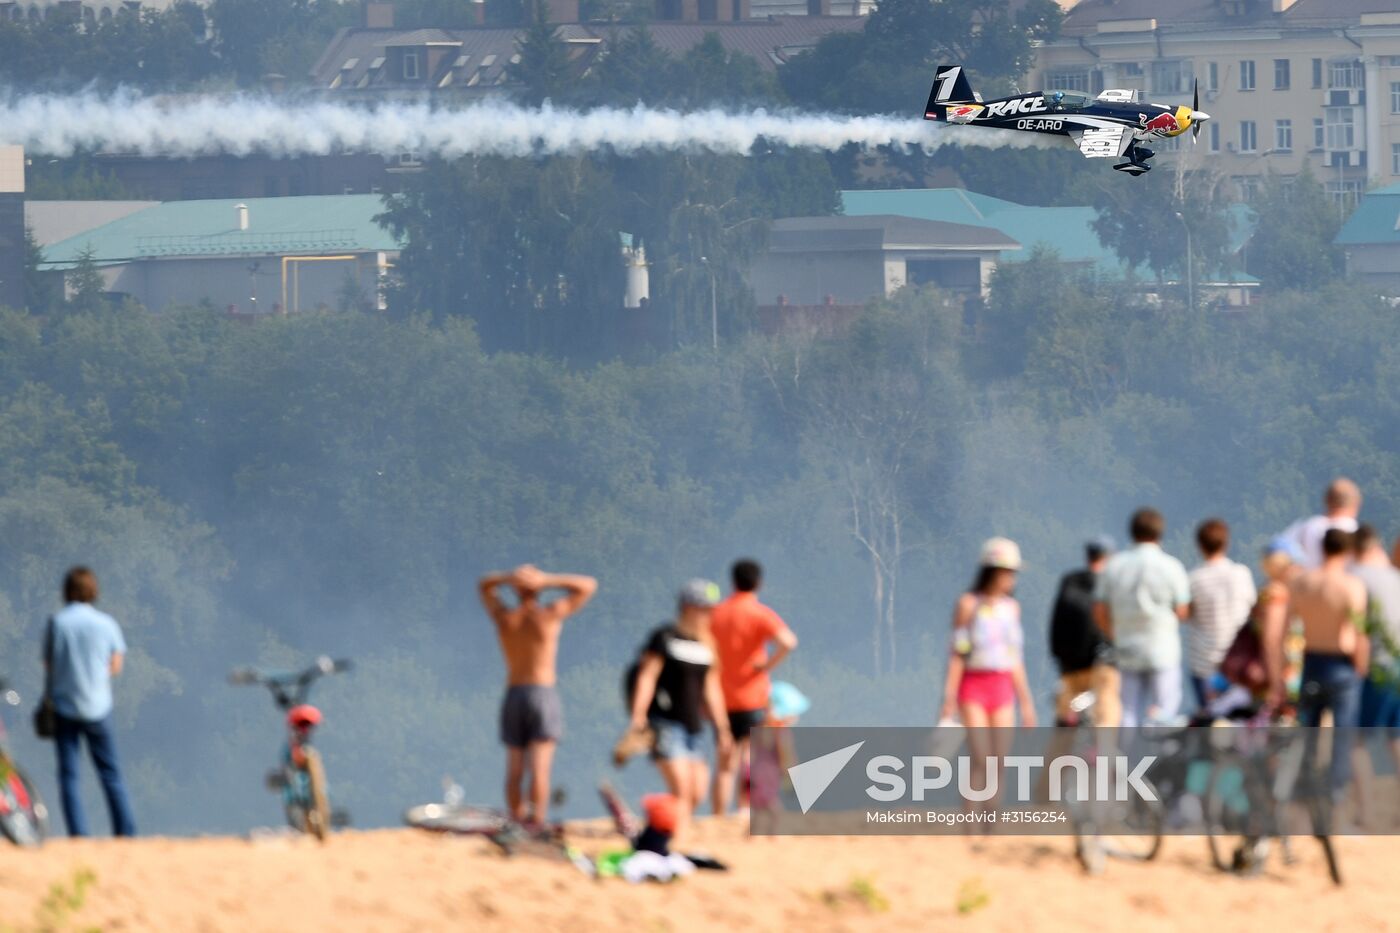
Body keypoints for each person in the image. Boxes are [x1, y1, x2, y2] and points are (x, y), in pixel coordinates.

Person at [478, 564, 597, 826]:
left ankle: (516, 819)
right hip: (542, 692)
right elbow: (588, 585)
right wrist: (547, 579)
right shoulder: (549, 615)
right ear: (536, 590)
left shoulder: (505, 618)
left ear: (516, 590)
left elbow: (483, 586)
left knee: (515, 768)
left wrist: (508, 577)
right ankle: (537, 821)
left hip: (514, 693)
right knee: (540, 769)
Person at [628, 580, 733, 838]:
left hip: (693, 727)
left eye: (711, 609)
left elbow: (711, 689)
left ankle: (658, 821)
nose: (709, 614)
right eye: (704, 608)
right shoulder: (664, 638)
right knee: (682, 789)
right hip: (664, 722)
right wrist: (638, 715)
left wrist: (722, 728)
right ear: (687, 607)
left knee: (697, 791)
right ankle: (676, 838)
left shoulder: (708, 645)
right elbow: (647, 677)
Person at [47, 567, 136, 838]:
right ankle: (126, 832)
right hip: (98, 706)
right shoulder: (107, 623)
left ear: (67, 590)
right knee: (110, 773)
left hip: (65, 705)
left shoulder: (58, 623)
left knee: (69, 775)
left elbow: (51, 664)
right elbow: (116, 664)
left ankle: (79, 835)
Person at [1281, 528, 1368, 799]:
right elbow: (1359, 634)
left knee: (1309, 734)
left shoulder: (1302, 582)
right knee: (1342, 737)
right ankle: (1335, 798)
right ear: (1347, 551)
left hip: (1311, 660)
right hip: (1341, 664)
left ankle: (1304, 794)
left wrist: (1285, 665)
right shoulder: (1351, 585)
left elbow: (1286, 629)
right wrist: (1360, 668)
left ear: (1322, 548)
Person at [709, 558, 798, 816]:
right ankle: (743, 809)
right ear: (758, 583)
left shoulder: (717, 614)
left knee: (725, 762)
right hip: (752, 696)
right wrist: (767, 665)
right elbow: (788, 642)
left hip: (721, 697)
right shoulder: (759, 613)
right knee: (748, 755)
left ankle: (718, 815)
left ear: (733, 582)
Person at [1093, 508, 1190, 727]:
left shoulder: (1114, 567)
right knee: (1165, 710)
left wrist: (1113, 634)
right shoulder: (1172, 567)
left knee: (1127, 711)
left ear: (1132, 532)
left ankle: (1130, 759)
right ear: (1159, 533)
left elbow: (1099, 610)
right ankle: (1161, 756)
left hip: (1127, 646)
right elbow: (1183, 610)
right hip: (1162, 648)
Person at [1348, 525, 1400, 824]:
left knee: (1356, 741)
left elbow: (1356, 629)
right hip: (1399, 664)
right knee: (1396, 739)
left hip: (1377, 668)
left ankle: (1365, 814)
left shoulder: (1357, 579)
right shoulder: (1394, 577)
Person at [1048, 536, 1120, 727]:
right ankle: (1105, 752)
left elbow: (1056, 623)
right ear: (1109, 557)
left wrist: (1060, 659)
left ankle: (1058, 753)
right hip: (1103, 665)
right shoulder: (1111, 584)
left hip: (1071, 667)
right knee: (1107, 714)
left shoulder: (1069, 582)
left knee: (1064, 725)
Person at [1186, 518, 1257, 708]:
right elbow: (1253, 610)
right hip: (1237, 661)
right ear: (1226, 543)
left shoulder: (1194, 579)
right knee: (1237, 720)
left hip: (1204, 662)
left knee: (1207, 720)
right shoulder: (1241, 574)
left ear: (1200, 545)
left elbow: (1185, 613)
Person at [1280, 477, 1361, 570]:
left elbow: (1277, 549)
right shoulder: (1358, 533)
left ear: (1326, 500)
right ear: (1357, 504)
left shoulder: (1308, 527)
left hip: (1310, 582)